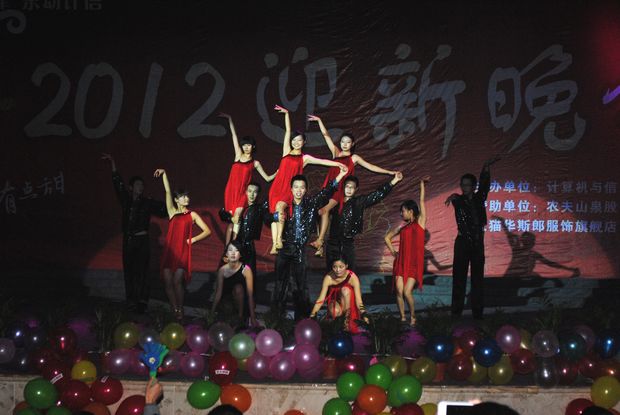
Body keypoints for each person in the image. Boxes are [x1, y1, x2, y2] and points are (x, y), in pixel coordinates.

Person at [307, 114, 399, 257]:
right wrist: (319, 121)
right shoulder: (336, 153)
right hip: (328, 187)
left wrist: (389, 172)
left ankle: (320, 241)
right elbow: (326, 136)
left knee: (324, 211)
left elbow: (371, 167)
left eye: (348, 142)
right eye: (342, 141)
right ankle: (320, 247)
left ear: (352, 144)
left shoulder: (353, 158)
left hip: (339, 190)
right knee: (319, 212)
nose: (344, 144)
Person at [268, 105, 347, 254]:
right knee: (276, 214)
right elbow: (287, 131)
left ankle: (278, 240)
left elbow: (322, 161)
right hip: (277, 187)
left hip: (289, 189)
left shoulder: (305, 158)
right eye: (294, 140)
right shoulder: (286, 152)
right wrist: (286, 114)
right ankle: (275, 244)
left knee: (280, 208)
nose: (296, 142)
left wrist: (337, 164)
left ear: (304, 142)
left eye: (299, 140)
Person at [272, 168, 348, 319]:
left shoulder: (311, 204)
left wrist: (340, 175)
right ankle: (276, 318)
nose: (298, 190)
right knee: (280, 283)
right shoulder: (284, 205)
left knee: (300, 285)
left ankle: (302, 318)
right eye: (296, 187)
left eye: (302, 187)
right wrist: (275, 216)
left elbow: (326, 192)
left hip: (300, 249)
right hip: (285, 248)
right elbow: (268, 216)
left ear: (305, 189)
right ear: (291, 189)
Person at [102, 153, 167, 313]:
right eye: (138, 184)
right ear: (131, 187)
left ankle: (143, 301)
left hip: (142, 240)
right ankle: (131, 300)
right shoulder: (126, 200)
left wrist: (175, 201)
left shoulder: (147, 202)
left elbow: (165, 209)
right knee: (129, 271)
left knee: (143, 271)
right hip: (129, 240)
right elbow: (118, 184)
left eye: (142, 185)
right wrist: (113, 163)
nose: (141, 187)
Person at [444, 156, 500, 319]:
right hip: (462, 243)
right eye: (462, 184)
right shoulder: (457, 199)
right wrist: (453, 196)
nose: (464, 187)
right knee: (459, 278)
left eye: (467, 184)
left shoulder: (479, 197)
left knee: (477, 279)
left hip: (477, 242)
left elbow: (484, 185)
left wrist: (485, 168)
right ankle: (456, 312)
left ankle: (477, 313)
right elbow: (455, 197)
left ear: (473, 186)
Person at [154, 168, 211, 320]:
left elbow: (207, 231)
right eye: (183, 197)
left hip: (182, 252)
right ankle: (175, 309)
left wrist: (193, 240)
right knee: (168, 281)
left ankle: (180, 307)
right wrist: (164, 174)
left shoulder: (192, 214)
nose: (186, 198)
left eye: (187, 196)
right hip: (170, 251)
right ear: (176, 200)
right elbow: (167, 191)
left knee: (177, 281)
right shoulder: (172, 212)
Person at [325, 172, 403, 272]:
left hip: (348, 242)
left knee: (349, 271)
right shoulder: (335, 202)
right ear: (343, 187)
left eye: (352, 187)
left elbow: (377, 195)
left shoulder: (359, 201)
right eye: (347, 186)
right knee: (331, 271)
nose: (349, 189)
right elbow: (323, 213)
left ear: (356, 189)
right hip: (333, 243)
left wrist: (394, 181)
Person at [218, 113, 276, 245]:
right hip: (231, 191)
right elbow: (234, 136)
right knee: (232, 221)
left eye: (248, 145)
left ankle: (234, 245)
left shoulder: (255, 163)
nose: (246, 147)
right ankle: (227, 248)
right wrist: (230, 119)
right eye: (244, 145)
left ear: (253, 146)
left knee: (237, 216)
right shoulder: (238, 156)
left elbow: (267, 178)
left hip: (242, 194)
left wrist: (277, 173)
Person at [384, 177, 429, 326]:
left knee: (407, 291)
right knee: (398, 291)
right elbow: (387, 238)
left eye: (402, 211)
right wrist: (393, 252)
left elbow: (421, 201)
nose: (401, 214)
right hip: (401, 262)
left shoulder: (420, 223)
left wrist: (421, 184)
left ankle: (413, 316)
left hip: (413, 264)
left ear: (411, 211)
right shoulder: (402, 228)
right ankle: (402, 317)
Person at [310, 256, 367, 333]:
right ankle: (335, 323)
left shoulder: (352, 277)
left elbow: (359, 300)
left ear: (346, 266)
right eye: (335, 267)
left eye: (341, 267)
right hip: (335, 301)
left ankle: (346, 322)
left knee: (345, 290)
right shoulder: (329, 278)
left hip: (348, 302)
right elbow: (321, 299)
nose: (337, 270)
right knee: (335, 311)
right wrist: (312, 315)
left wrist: (364, 314)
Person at [211, 240, 258, 327]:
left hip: (241, 303)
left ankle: (240, 318)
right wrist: (211, 312)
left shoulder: (246, 270)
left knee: (238, 288)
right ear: (226, 254)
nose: (233, 253)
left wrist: (253, 317)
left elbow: (250, 296)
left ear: (240, 254)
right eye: (230, 250)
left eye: (236, 250)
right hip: (227, 303)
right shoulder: (222, 270)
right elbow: (218, 293)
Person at [232, 182, 270, 276]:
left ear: (258, 194)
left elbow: (268, 219)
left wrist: (277, 217)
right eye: (249, 191)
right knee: (233, 272)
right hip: (235, 243)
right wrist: (231, 218)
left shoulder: (260, 208)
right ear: (245, 192)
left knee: (249, 272)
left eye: (255, 192)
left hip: (248, 244)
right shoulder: (239, 206)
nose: (252, 194)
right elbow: (224, 214)